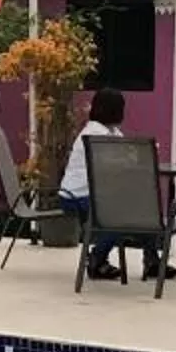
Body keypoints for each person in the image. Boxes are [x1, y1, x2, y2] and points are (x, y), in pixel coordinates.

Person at [59, 87, 135, 279]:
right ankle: (97, 258)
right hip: (78, 196)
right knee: (125, 214)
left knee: (138, 207)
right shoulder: (95, 134)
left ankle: (151, 260)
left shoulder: (111, 132)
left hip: (94, 193)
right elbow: (112, 166)